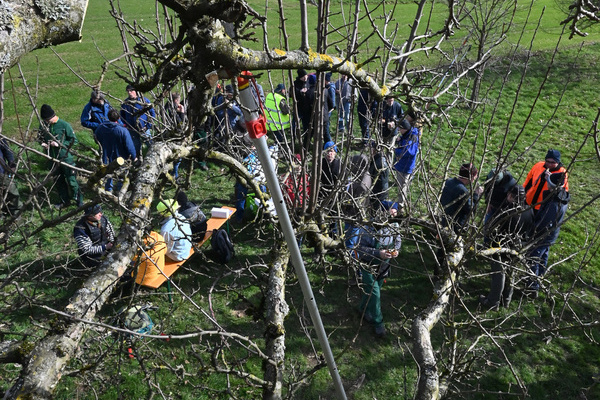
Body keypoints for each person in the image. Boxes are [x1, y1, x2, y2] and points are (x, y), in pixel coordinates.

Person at [346, 212, 401, 338]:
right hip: (367, 265)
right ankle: (378, 323)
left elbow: (398, 239)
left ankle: (362, 309)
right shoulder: (366, 229)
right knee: (375, 293)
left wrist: (396, 249)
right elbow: (359, 248)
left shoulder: (394, 227)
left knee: (371, 292)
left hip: (384, 266)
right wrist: (378, 253)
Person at [480, 185, 533, 309]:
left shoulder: (505, 211)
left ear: (510, 196)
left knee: (499, 274)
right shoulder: (529, 210)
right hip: (517, 247)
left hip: (500, 247)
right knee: (511, 272)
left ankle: (493, 302)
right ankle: (507, 299)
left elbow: (491, 228)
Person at [526, 172, 570, 295]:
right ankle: (539, 278)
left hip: (543, 235)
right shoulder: (561, 197)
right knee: (543, 256)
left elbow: (544, 222)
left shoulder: (553, 204)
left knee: (533, 257)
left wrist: (533, 231)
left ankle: (532, 287)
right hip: (551, 234)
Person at [38, 104, 83, 208]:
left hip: (66, 158)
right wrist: (43, 143)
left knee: (72, 181)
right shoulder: (43, 126)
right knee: (58, 181)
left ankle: (79, 200)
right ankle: (64, 201)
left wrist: (60, 144)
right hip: (52, 159)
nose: (47, 122)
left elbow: (74, 140)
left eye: (48, 120)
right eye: (45, 120)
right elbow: (40, 138)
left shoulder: (64, 125)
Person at [94, 109, 137, 192]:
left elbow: (96, 139)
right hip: (120, 157)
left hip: (105, 156)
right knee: (121, 176)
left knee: (107, 175)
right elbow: (129, 145)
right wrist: (134, 156)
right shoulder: (122, 130)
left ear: (108, 117)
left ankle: (107, 192)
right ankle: (120, 192)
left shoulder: (100, 128)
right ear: (118, 118)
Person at [440, 163, 484, 234]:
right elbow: (471, 210)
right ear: (471, 176)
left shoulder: (448, 181)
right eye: (475, 176)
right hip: (455, 227)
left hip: (444, 221)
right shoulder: (462, 191)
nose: (475, 179)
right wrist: (476, 195)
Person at [120, 84, 156, 157]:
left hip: (144, 129)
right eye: (128, 91)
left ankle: (153, 158)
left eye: (131, 90)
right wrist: (127, 126)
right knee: (136, 147)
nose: (129, 92)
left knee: (150, 145)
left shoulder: (144, 101)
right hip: (132, 130)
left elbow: (152, 114)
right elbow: (122, 116)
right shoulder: (126, 103)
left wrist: (148, 126)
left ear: (136, 91)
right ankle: (139, 160)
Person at [393, 119, 420, 210]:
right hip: (403, 165)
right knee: (403, 186)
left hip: (405, 167)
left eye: (399, 128)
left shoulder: (412, 137)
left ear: (404, 129)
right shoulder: (407, 135)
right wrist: (400, 140)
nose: (398, 130)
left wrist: (395, 150)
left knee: (402, 188)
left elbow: (409, 152)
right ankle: (403, 202)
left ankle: (401, 207)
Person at [0, 138, 22, 216]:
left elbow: (7, 151)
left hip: (1, 171)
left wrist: (11, 163)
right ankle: (2, 212)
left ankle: (16, 211)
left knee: (11, 191)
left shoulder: (1, 138)